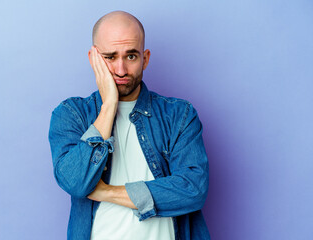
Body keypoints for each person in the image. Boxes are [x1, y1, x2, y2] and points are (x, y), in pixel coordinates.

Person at [49, 10, 210, 240]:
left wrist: (107, 192)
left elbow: (193, 189)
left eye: (131, 56)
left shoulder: (179, 115)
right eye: (110, 57)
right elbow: (75, 183)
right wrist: (109, 106)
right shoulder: (71, 114)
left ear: (145, 58)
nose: (121, 70)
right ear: (93, 58)